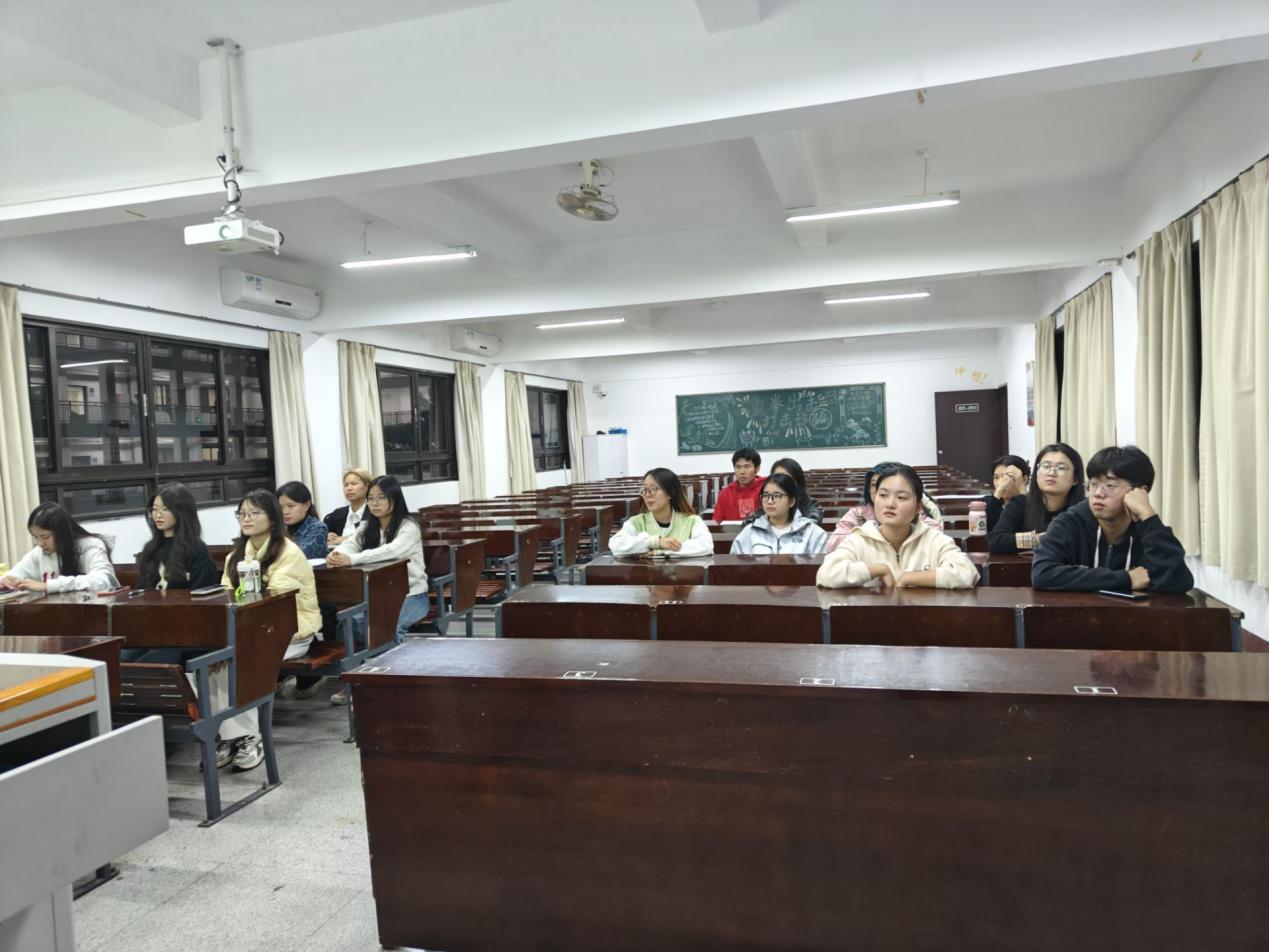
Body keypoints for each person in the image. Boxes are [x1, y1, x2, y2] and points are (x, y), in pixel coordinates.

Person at [215, 490, 323, 769]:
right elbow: (227, 595)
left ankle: (252, 737)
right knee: (213, 664)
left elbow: (275, 605)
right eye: (242, 514)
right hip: (250, 633)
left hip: (291, 631)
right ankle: (229, 735)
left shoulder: (289, 553)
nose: (246, 519)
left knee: (244, 660)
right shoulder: (235, 556)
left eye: (254, 513)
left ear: (273, 518)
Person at [1032, 445, 1193, 594]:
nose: (1098, 493)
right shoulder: (1069, 523)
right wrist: (1126, 579)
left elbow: (1180, 582)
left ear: (1139, 492)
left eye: (1110, 485)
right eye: (1094, 484)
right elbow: (1042, 574)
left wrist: (1149, 517)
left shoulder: (1147, 529)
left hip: (1134, 614)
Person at [328, 474, 430, 704]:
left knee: (390, 626)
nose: (375, 503)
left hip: (412, 595)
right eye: (371, 498)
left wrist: (352, 560)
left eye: (381, 498)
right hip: (375, 596)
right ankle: (357, 680)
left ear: (394, 498)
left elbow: (393, 551)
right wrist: (336, 555)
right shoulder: (367, 526)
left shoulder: (408, 527)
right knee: (351, 622)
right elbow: (349, 544)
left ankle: (392, 681)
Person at [816, 462, 978, 590]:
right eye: (883, 495)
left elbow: (967, 573)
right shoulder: (859, 539)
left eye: (901, 497)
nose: (890, 504)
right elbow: (826, 574)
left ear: (918, 507)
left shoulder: (934, 540)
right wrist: (878, 570)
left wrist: (909, 578)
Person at [988, 444, 1085, 554]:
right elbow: (995, 541)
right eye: (1045, 466)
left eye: (1061, 468)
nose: (1051, 473)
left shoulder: (1084, 509)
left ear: (1075, 478)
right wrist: (1039, 539)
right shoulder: (1021, 504)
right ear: (1036, 473)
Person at [1, 502, 118, 593]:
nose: (40, 543)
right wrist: (8, 579)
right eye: (36, 537)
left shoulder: (90, 546)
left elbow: (103, 581)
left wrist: (49, 586)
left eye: (45, 537)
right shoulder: (40, 552)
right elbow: (18, 572)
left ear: (62, 532)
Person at [825, 463, 942, 552]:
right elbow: (833, 544)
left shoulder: (912, 512)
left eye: (900, 496)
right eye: (874, 485)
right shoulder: (857, 514)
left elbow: (935, 538)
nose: (890, 502)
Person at [610, 468, 714, 558]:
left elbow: (706, 545)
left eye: (654, 488)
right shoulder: (637, 522)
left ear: (670, 493)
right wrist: (655, 542)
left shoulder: (691, 521)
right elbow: (615, 545)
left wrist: (660, 551)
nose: (647, 495)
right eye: (644, 489)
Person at [136, 484, 219, 590]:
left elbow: (205, 591)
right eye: (154, 509)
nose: (158, 515)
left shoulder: (197, 549)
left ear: (181, 512)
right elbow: (142, 590)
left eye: (165, 509)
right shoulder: (150, 548)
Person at [730, 472, 828, 554]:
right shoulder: (750, 531)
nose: (769, 501)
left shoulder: (812, 533)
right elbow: (735, 566)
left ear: (791, 501)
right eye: (765, 496)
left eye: (776, 496)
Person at [741, 457, 823, 525]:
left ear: (797, 481)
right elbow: (748, 524)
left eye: (786, 478)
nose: (780, 482)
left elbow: (811, 527)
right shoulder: (770, 503)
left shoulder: (810, 504)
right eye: (776, 477)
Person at [277, 480, 328, 559]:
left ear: (306, 505)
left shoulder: (318, 527)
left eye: (291, 506)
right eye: (281, 507)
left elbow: (300, 555)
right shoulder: (280, 529)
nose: (284, 512)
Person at [712, 448, 765, 523]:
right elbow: (716, 522)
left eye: (747, 467)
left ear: (757, 468)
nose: (742, 472)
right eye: (738, 467)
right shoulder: (725, 494)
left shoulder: (766, 487)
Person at [323, 466, 372, 546]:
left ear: (367, 487)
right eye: (346, 485)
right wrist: (326, 536)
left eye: (354, 484)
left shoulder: (374, 512)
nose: (349, 488)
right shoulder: (336, 514)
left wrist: (347, 539)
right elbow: (323, 537)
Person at [983, 454, 1031, 530]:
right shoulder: (986, 502)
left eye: (1007, 477)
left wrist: (1021, 488)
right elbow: (986, 529)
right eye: (996, 477)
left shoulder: (1035, 504)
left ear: (1024, 480)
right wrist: (999, 491)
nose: (1000, 482)